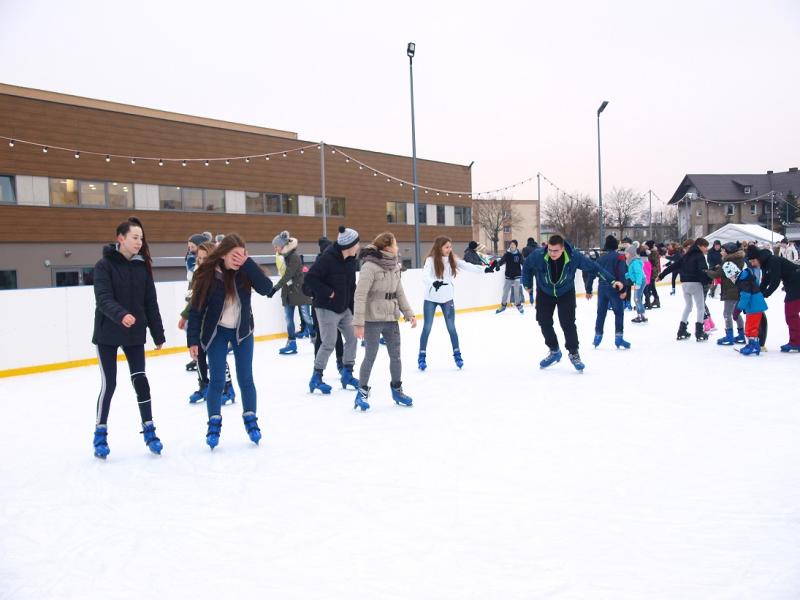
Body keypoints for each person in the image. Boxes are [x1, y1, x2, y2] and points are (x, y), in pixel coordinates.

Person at [187, 234, 274, 449]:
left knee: (246, 378)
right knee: (217, 381)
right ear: (223, 254)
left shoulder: (246, 271)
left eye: (243, 255)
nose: (239, 259)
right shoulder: (207, 274)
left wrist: (248, 264)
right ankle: (214, 424)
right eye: (235, 256)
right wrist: (193, 340)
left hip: (242, 332)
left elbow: (267, 289)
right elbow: (196, 309)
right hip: (217, 333)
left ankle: (251, 420)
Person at [91, 217, 165, 459]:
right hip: (108, 333)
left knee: (140, 380)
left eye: (141, 238)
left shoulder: (142, 267)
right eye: (135, 237)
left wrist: (158, 333)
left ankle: (149, 429)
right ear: (120, 238)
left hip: (134, 333)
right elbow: (103, 298)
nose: (139, 242)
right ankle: (100, 433)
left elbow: (150, 302)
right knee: (109, 384)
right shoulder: (104, 266)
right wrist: (121, 315)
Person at [522, 234, 624, 371]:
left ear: (563, 248)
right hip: (545, 292)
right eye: (550, 250)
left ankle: (574, 353)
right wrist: (527, 284)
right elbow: (527, 266)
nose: (552, 253)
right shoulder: (538, 255)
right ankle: (554, 350)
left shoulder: (574, 256)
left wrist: (612, 280)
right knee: (543, 321)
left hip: (566, 292)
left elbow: (594, 267)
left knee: (568, 323)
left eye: (556, 250)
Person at [352, 232, 417, 411]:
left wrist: (409, 313)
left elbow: (399, 292)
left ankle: (397, 390)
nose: (397, 246)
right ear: (387, 246)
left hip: (391, 318)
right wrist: (358, 323)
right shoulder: (369, 267)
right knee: (370, 356)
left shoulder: (394, 266)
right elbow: (360, 295)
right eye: (395, 244)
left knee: (395, 356)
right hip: (372, 319)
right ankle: (362, 393)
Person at [418, 236, 494, 371]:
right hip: (431, 298)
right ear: (439, 247)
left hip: (447, 298)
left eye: (450, 247)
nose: (449, 249)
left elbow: (468, 266)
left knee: (451, 328)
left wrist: (485, 269)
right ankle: (422, 356)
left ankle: (457, 354)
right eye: (446, 247)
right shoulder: (430, 260)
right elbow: (425, 275)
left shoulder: (452, 259)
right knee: (427, 327)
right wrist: (433, 282)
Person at [303, 225, 361, 393]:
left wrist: (354, 310)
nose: (358, 246)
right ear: (348, 246)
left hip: (344, 308)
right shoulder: (327, 258)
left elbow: (352, 286)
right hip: (326, 308)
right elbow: (310, 278)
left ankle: (347, 373)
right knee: (328, 342)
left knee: (352, 338)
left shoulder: (351, 261)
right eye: (356, 244)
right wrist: (328, 292)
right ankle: (316, 377)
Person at [746, 245, 800, 352]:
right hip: (792, 285)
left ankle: (796, 342)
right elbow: (765, 281)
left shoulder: (773, 261)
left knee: (791, 314)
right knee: (791, 314)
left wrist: (765, 294)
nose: (752, 264)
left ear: (757, 258)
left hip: (796, 284)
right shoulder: (765, 263)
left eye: (752, 261)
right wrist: (757, 294)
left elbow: (775, 281)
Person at [268, 230, 315, 356]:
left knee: (306, 317)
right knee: (289, 319)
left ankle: (316, 339)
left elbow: (288, 275)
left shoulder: (294, 257)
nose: (275, 248)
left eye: (276, 246)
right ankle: (291, 343)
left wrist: (274, 289)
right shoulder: (282, 257)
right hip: (288, 292)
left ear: (283, 245)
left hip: (299, 291)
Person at [658, 238, 711, 341]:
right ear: (700, 245)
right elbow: (703, 270)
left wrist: (661, 275)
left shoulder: (685, 256)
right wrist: (708, 280)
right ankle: (699, 332)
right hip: (695, 284)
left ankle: (681, 330)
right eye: (705, 247)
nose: (706, 249)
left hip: (685, 284)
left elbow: (673, 266)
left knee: (688, 306)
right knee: (700, 308)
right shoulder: (699, 255)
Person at [585, 235, 630, 349]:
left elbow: (592, 273)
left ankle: (597, 337)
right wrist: (623, 289)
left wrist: (588, 289)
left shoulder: (600, 259)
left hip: (602, 288)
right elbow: (622, 273)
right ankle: (618, 338)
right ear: (616, 246)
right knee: (619, 313)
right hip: (614, 288)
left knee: (601, 313)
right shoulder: (620, 257)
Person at [307, 237, 344, 372]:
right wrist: (323, 292)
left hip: (334, 307)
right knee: (322, 338)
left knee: (335, 337)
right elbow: (307, 287)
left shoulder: (336, 264)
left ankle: (340, 363)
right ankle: (318, 367)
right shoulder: (319, 265)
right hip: (320, 308)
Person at [705, 242, 747, 345]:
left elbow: (717, 274)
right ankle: (741, 335)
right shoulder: (738, 260)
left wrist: (706, 271)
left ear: (728, 252)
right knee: (735, 313)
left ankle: (729, 336)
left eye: (723, 250)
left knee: (727, 314)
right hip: (737, 289)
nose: (721, 252)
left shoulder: (727, 262)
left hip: (730, 290)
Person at [722, 261, 768, 356]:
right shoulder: (744, 277)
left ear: (733, 274)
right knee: (750, 326)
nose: (731, 279)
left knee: (751, 327)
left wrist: (737, 310)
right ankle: (752, 344)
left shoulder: (743, 280)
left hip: (754, 306)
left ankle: (754, 345)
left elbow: (745, 296)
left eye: (730, 277)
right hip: (753, 306)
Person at [495, 240, 525, 314]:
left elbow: (524, 263)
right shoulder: (507, 254)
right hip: (508, 275)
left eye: (513, 245)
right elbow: (501, 261)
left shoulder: (519, 255)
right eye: (511, 244)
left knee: (516, 291)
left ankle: (518, 305)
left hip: (517, 275)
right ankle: (503, 305)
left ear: (516, 246)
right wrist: (498, 265)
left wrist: (528, 267)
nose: (511, 246)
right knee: (505, 291)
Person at [626, 245, 648, 323]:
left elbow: (638, 273)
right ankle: (641, 315)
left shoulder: (635, 262)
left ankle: (641, 316)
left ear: (631, 254)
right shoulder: (632, 262)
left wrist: (638, 284)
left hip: (640, 281)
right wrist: (626, 275)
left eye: (627, 253)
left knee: (637, 298)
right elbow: (633, 272)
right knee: (636, 299)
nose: (626, 255)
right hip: (639, 281)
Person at [644, 244, 661, 309]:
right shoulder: (652, 252)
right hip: (652, 271)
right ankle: (655, 300)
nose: (645, 246)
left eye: (646, 245)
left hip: (652, 271)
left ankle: (651, 301)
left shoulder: (653, 253)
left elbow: (652, 261)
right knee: (651, 286)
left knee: (651, 286)